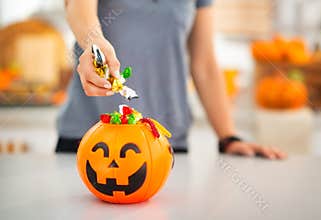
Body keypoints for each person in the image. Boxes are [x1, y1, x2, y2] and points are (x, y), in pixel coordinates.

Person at [57, 0, 286, 159]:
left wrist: (228, 138)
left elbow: (204, 63)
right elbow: (77, 7)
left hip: (164, 142)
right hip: (91, 140)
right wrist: (94, 42)